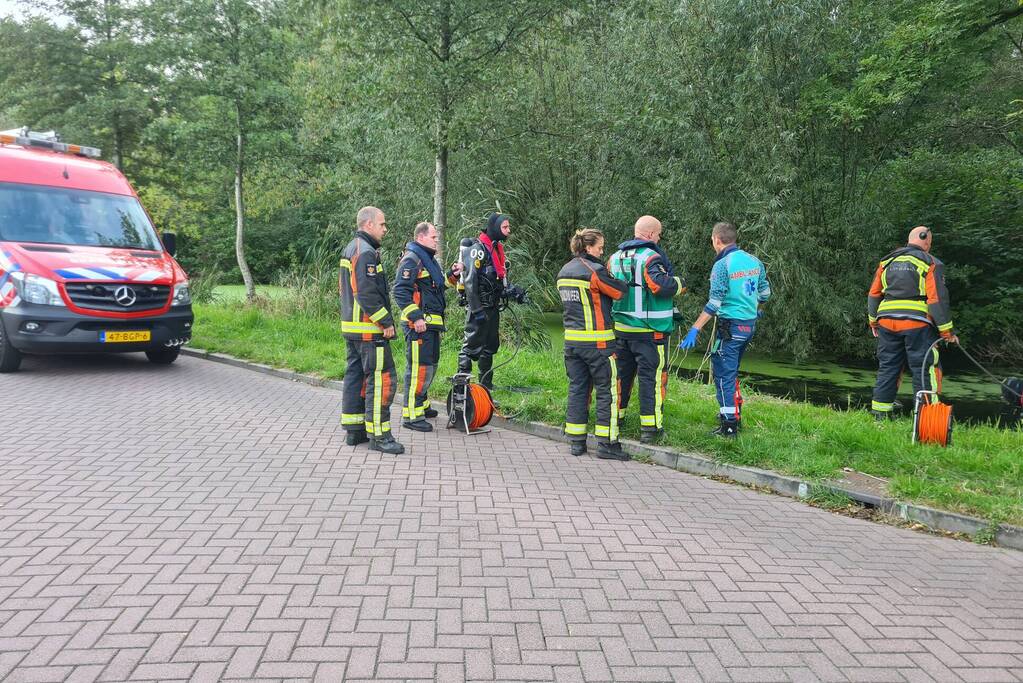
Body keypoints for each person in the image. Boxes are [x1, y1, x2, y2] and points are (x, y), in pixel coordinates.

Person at [679, 222, 771, 438]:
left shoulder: (722, 266)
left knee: (723, 375)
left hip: (729, 328)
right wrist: (756, 309)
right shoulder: (753, 260)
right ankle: (734, 414)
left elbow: (714, 304)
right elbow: (765, 293)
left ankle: (728, 426)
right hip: (748, 327)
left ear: (716, 240)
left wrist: (695, 328)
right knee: (732, 372)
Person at [608, 215, 686, 443]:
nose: (659, 238)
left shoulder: (614, 258)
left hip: (622, 330)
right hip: (650, 332)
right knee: (651, 380)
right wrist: (680, 283)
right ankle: (650, 428)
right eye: (659, 234)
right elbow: (659, 285)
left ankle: (618, 418)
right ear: (651, 234)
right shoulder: (651, 257)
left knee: (621, 377)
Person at [866, 226, 957, 419]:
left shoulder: (887, 261)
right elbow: (936, 300)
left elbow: (874, 294)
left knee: (888, 367)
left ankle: (880, 417)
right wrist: (947, 332)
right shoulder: (930, 262)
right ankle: (928, 420)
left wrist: (873, 322)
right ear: (925, 241)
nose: (929, 246)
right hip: (917, 325)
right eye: (929, 243)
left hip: (887, 324)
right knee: (924, 369)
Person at [557, 228, 629, 460]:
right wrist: (618, 278)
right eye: (600, 247)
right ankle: (607, 444)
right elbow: (619, 292)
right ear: (588, 247)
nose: (602, 250)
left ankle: (577, 442)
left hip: (572, 343)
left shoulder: (564, 271)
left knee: (578, 388)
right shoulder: (595, 271)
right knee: (607, 391)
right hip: (598, 344)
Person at [339, 206, 404, 455]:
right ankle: (379, 435)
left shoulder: (352, 247)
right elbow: (366, 293)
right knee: (382, 379)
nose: (385, 229)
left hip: (353, 328)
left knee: (356, 377)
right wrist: (386, 322)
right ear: (368, 225)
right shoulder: (365, 252)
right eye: (382, 224)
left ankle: (355, 430)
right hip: (369, 330)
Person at [392, 221, 460, 433]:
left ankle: (422, 404)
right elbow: (400, 291)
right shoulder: (412, 259)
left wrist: (453, 274)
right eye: (434, 237)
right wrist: (416, 317)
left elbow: (439, 288)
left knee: (430, 367)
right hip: (418, 326)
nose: (437, 240)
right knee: (418, 370)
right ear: (420, 238)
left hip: (432, 326)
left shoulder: (429, 260)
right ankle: (411, 415)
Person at [457, 212, 526, 393]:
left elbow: (497, 279)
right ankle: (461, 388)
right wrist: (476, 309)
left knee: (489, 346)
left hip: (493, 306)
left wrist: (514, 292)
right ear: (495, 227)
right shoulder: (478, 249)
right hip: (479, 307)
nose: (508, 231)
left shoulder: (496, 249)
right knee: (470, 346)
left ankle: (485, 386)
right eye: (505, 227)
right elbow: (470, 281)